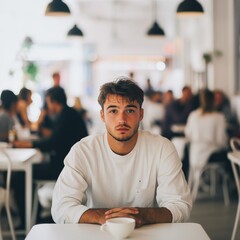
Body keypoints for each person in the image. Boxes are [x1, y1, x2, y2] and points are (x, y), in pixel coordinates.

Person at [51, 77, 192, 227]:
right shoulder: (83, 151)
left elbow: (179, 205)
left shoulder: (162, 148)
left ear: (141, 114)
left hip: (147, 234)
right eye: (113, 111)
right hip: (94, 234)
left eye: (130, 110)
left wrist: (141, 215)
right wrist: (104, 217)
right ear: (102, 115)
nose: (121, 119)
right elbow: (61, 207)